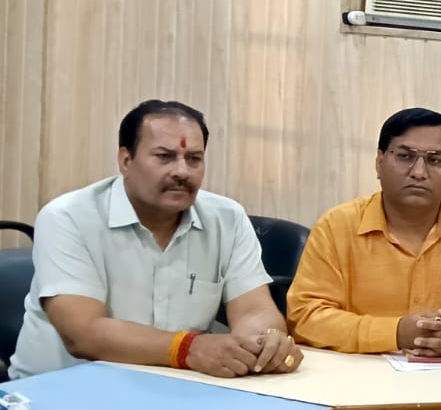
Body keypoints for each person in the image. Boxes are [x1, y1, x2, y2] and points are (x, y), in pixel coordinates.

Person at [8, 100, 300, 379]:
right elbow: (84, 333)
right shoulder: (67, 217)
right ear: (126, 160)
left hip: (175, 389)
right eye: (164, 156)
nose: (182, 171)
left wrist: (264, 344)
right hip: (57, 394)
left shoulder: (228, 219)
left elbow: (254, 310)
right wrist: (189, 349)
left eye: (194, 159)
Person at [287, 108, 441, 355]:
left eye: (434, 160)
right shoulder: (336, 227)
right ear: (379, 162)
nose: (419, 172)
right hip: (363, 372)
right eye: (405, 156)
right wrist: (395, 333)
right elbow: (305, 316)